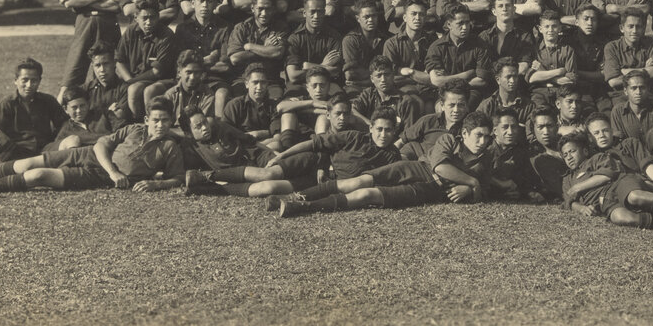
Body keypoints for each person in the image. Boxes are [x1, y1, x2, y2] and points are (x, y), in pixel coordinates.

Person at [274, 110, 496, 217]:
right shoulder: (448, 139)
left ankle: (304, 206)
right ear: (465, 133)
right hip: (417, 168)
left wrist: (469, 190)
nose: (483, 142)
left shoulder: (486, 157)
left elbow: (482, 192)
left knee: (367, 195)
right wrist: (471, 180)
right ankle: (296, 196)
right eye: (478, 135)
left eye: (487, 137)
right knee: (358, 181)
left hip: (428, 189)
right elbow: (440, 167)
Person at [0, 97, 184, 196]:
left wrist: (157, 185)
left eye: (165, 120)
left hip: (95, 175)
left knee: (37, 175)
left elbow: (178, 178)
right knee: (27, 162)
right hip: (90, 155)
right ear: (147, 120)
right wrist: (113, 170)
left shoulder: (170, 147)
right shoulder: (135, 129)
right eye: (155, 120)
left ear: (171, 120)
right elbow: (101, 145)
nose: (160, 125)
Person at [185, 106, 404, 200]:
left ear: (395, 132)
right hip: (311, 162)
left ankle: (209, 189)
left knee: (266, 189)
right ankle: (206, 176)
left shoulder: (393, 157)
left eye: (389, 130)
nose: (383, 134)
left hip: (322, 184)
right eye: (380, 129)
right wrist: (281, 155)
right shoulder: (355, 136)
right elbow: (312, 144)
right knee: (268, 175)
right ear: (371, 127)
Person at [0, 58, 67, 161]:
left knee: (72, 140)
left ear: (40, 81)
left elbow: (65, 124)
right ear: (16, 81)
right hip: (17, 153)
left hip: (46, 150)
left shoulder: (48, 100)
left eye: (34, 80)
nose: (29, 85)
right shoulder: (7, 104)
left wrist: (56, 140)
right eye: (25, 80)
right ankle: (13, 167)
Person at [115, 0, 177, 120]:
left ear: (158, 17)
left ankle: (148, 123)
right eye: (144, 18)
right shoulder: (131, 31)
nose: (148, 22)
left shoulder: (166, 35)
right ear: (136, 18)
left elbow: (157, 71)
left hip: (163, 79)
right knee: (131, 90)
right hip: (135, 78)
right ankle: (137, 122)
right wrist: (129, 79)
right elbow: (119, 60)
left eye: (152, 17)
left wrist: (131, 82)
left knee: (146, 90)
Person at [174, 0, 234, 115]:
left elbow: (225, 66)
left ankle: (220, 130)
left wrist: (195, 64)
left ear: (215, 4)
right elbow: (180, 63)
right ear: (192, 3)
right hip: (188, 78)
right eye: (201, 1)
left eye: (209, 1)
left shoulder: (225, 27)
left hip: (215, 79)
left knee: (222, 94)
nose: (205, 5)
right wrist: (209, 59)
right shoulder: (182, 28)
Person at [425, 6, 491, 105]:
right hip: (444, 93)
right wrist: (467, 75)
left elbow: (481, 81)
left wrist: (449, 81)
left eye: (467, 22)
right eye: (460, 23)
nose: (465, 27)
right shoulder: (436, 47)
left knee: (464, 104)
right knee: (441, 108)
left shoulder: (480, 45)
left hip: (470, 92)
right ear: (449, 24)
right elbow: (437, 81)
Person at [226, 0, 287, 97]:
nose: (264, 13)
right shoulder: (241, 28)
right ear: (253, 8)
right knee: (238, 102)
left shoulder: (280, 28)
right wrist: (264, 48)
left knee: (276, 101)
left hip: (270, 80)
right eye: (260, 9)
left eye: (268, 9)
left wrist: (250, 46)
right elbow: (235, 58)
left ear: (273, 10)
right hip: (244, 80)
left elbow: (277, 52)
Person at [284, 0, 343, 98]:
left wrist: (308, 66)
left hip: (326, 85)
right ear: (304, 13)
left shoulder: (334, 37)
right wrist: (323, 65)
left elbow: (335, 71)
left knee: (340, 99)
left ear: (324, 12)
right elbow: (293, 76)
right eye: (312, 11)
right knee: (290, 103)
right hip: (300, 85)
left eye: (320, 11)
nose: (316, 16)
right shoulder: (294, 38)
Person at [398, 80, 469, 162]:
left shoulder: (470, 128)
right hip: (413, 162)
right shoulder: (428, 121)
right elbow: (401, 142)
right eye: (451, 105)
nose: (456, 110)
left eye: (461, 105)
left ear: (467, 106)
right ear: (442, 105)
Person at [602, 9, 653, 104]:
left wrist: (625, 71)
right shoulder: (612, 47)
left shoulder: (650, 43)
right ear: (622, 28)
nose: (634, 31)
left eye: (638, 27)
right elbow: (613, 81)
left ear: (643, 28)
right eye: (630, 26)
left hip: (645, 93)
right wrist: (646, 69)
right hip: (621, 94)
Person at [352, 57, 424, 134]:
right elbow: (352, 110)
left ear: (393, 76)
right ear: (372, 79)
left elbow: (409, 134)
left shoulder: (406, 102)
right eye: (379, 75)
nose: (383, 79)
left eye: (386, 74)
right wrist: (371, 125)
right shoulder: (368, 94)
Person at [382, 0, 436, 100]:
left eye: (421, 14)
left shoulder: (433, 41)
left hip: (430, 89)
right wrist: (422, 77)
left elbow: (436, 74)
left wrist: (409, 72)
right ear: (405, 17)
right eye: (413, 14)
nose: (417, 18)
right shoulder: (392, 44)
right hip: (403, 92)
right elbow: (390, 78)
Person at [488, 109, 545, 203]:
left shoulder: (521, 153)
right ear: (495, 131)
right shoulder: (486, 150)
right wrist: (500, 185)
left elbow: (524, 181)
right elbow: (478, 174)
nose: (510, 132)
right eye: (505, 127)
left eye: (513, 127)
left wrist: (525, 193)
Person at [221, 67, 282, 151]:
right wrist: (267, 133)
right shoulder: (234, 105)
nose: (259, 87)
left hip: (265, 147)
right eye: (255, 82)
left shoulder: (274, 106)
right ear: (247, 84)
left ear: (267, 84)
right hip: (241, 150)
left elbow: (277, 137)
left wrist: (258, 134)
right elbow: (226, 135)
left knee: (276, 145)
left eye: (263, 82)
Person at [526, 10, 578, 106]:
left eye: (554, 26)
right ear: (540, 29)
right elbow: (531, 78)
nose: (550, 30)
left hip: (562, 93)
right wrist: (559, 72)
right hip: (539, 93)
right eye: (546, 26)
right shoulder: (534, 50)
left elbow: (570, 81)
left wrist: (542, 72)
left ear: (560, 28)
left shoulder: (567, 50)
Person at [478, 0, 537, 76]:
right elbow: (484, 67)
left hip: (516, 82)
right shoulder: (484, 37)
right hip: (491, 83)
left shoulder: (525, 36)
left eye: (508, 5)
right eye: (500, 6)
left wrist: (505, 78)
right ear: (494, 11)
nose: (504, 9)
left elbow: (524, 66)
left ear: (514, 10)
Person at [82, 41, 131, 133]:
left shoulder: (124, 89)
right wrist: (109, 111)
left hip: (114, 136)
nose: (102, 70)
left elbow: (120, 118)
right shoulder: (86, 89)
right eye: (97, 65)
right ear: (92, 66)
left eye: (106, 64)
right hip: (89, 135)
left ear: (114, 63)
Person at [341, 0, 388, 93]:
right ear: (358, 19)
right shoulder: (350, 40)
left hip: (380, 87)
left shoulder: (386, 39)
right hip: (357, 89)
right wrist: (379, 76)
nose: (370, 20)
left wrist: (366, 80)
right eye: (366, 17)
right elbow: (351, 74)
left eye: (373, 16)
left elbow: (389, 71)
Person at [608, 69, 653, 142]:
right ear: (626, 91)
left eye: (642, 87)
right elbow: (618, 142)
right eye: (633, 88)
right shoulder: (618, 112)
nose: (638, 92)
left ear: (648, 89)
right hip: (631, 152)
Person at [164, 50, 216, 129]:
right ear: (179, 72)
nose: (192, 77)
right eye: (188, 72)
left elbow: (201, 128)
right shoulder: (170, 95)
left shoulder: (208, 95)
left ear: (202, 73)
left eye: (197, 72)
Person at [476, 57, 533, 130]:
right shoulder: (487, 106)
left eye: (515, 76)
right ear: (498, 80)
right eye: (508, 77)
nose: (512, 81)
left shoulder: (529, 107)